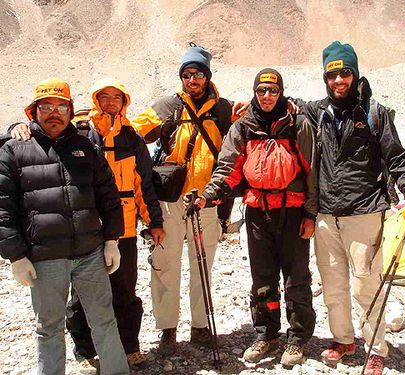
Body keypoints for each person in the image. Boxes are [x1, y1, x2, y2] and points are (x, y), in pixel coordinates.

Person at [9, 78, 165, 369]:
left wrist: (153, 220)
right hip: (76, 233)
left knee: (124, 292)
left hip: (121, 226)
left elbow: (144, 183)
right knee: (79, 301)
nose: (109, 102)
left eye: (115, 97)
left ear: (124, 102)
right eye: (103, 96)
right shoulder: (83, 132)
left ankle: (129, 347)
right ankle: (85, 351)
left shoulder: (131, 137)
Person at [294, 41, 405, 375]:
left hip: (365, 212)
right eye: (332, 74)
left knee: (365, 284)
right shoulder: (317, 111)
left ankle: (376, 348)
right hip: (326, 214)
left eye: (345, 73)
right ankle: (344, 339)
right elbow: (282, 105)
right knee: (333, 283)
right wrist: (247, 105)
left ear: (355, 74)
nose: (338, 80)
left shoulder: (374, 111)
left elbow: (395, 155)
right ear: (324, 77)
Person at [191, 68, 317, 367]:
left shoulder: (297, 123)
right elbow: (228, 167)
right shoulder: (243, 126)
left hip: (293, 210)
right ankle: (267, 334)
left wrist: (311, 213)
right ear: (255, 93)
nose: (267, 96)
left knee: (296, 278)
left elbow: (313, 171)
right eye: (262, 91)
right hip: (258, 212)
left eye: (273, 91)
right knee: (262, 277)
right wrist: (208, 194)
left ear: (281, 92)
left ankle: (297, 338)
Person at [131, 45, 236, 353]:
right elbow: (132, 132)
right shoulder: (167, 106)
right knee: (165, 263)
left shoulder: (224, 110)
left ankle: (201, 326)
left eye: (198, 73)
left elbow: (243, 136)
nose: (193, 79)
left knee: (203, 263)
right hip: (170, 201)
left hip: (206, 200)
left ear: (207, 76)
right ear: (182, 77)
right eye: (187, 74)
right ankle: (167, 328)